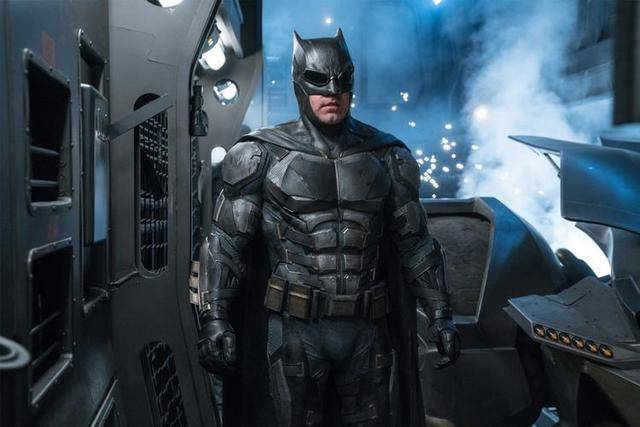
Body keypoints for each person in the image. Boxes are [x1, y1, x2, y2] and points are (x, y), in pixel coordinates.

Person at [196, 29, 460, 427]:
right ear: (299, 83)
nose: (332, 91)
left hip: (368, 328)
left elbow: (415, 244)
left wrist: (440, 314)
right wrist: (214, 317)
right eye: (318, 80)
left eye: (342, 80)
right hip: (294, 329)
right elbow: (226, 244)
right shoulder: (259, 154)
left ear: (352, 82)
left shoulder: (387, 156)